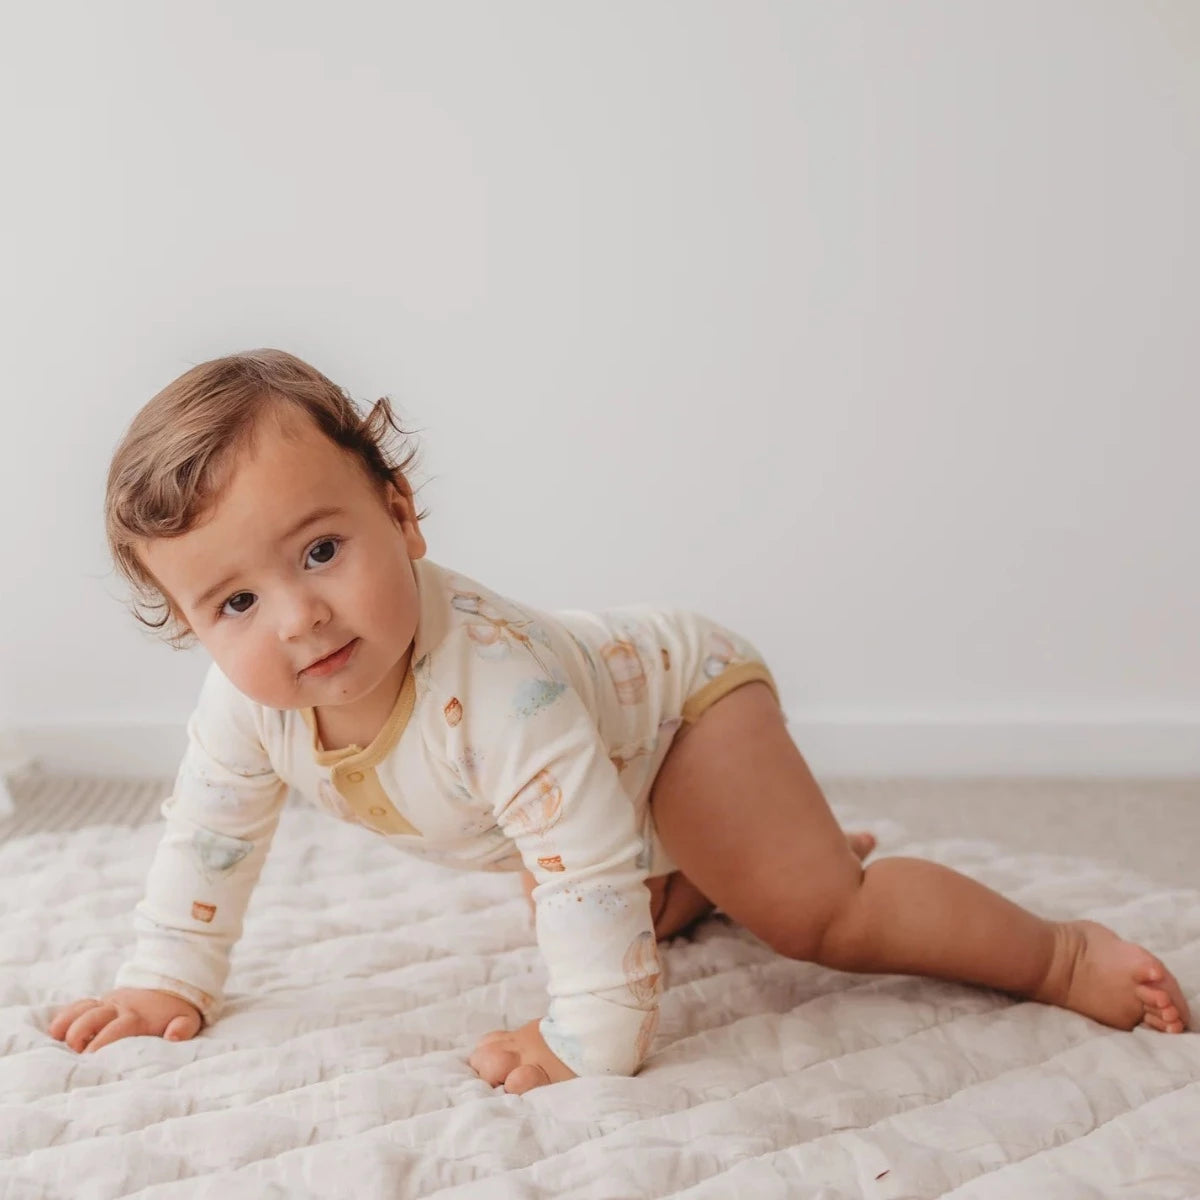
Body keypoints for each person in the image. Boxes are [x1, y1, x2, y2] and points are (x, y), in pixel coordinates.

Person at [49, 350, 1190, 1093]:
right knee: (622, 873)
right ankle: (707, 871)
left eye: (321, 550)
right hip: (597, 768)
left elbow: (584, 865)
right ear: (194, 628)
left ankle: (1055, 952)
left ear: (400, 515)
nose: (296, 618)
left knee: (810, 914)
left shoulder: (496, 687)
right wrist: (169, 979)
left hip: (681, 711)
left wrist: (585, 1037)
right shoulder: (251, 708)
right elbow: (209, 839)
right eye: (236, 602)